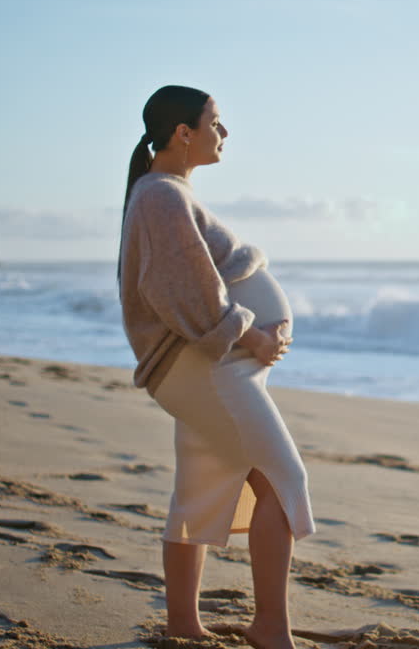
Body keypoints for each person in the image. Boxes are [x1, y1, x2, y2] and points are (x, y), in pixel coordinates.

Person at [118, 85, 315, 649]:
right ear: (184, 132)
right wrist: (249, 334)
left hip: (203, 369)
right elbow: (179, 288)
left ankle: (184, 624)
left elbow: (189, 282)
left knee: (201, 485)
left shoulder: (163, 192)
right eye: (216, 123)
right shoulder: (161, 196)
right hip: (208, 368)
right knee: (282, 479)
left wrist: (252, 335)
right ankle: (270, 631)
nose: (223, 134)